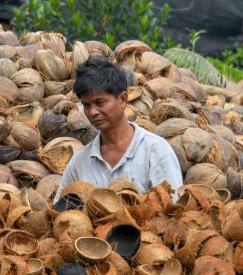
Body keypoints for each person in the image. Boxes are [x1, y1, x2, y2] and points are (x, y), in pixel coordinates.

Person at [53, 57, 184, 204]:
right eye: (87, 105)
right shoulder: (80, 162)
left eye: (99, 103)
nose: (92, 112)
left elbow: (172, 212)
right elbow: (58, 212)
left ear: (122, 99)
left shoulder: (156, 150)